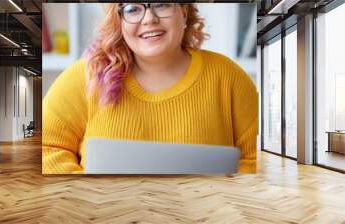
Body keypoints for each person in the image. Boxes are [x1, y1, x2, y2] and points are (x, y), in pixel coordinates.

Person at [42, 3, 258, 174]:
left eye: (161, 4)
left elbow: (254, 159)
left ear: (184, 11)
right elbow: (46, 149)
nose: (149, 19)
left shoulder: (230, 77)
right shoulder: (86, 76)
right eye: (133, 9)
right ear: (120, 21)